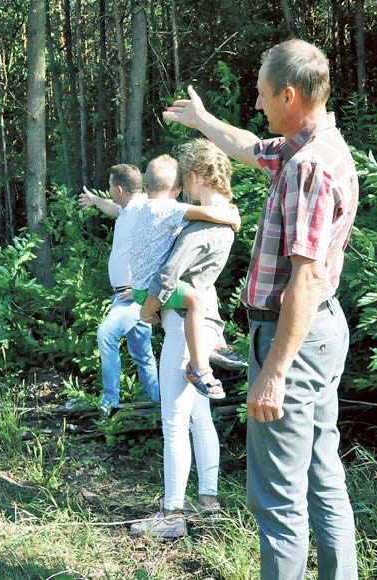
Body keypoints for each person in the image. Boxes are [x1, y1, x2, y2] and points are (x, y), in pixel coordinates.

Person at [164, 39, 359, 579]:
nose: (256, 101)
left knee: (277, 500)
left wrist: (273, 374)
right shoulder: (311, 148)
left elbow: (306, 279)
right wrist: (203, 120)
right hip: (318, 334)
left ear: (290, 94)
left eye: (262, 92)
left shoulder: (308, 168)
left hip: (291, 337)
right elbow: (250, 146)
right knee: (322, 478)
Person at [130, 140, 237, 538]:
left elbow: (167, 276)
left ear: (192, 177)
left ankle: (171, 515)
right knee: (199, 418)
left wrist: (145, 311)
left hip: (181, 324)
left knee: (173, 422)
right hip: (205, 319)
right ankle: (208, 504)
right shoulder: (224, 218)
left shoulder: (202, 225)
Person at [129, 154, 240, 399]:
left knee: (203, 289)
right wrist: (233, 216)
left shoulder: (146, 208)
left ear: (147, 188)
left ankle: (218, 342)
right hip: (151, 288)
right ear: (178, 190)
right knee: (196, 301)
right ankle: (200, 368)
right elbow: (209, 214)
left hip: (140, 285)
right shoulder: (170, 208)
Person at [77, 164, 160, 416]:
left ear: (120, 189)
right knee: (142, 353)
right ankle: (155, 405)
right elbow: (113, 208)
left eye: (111, 187)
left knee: (106, 334)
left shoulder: (146, 209)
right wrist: (94, 200)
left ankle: (109, 403)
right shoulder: (127, 209)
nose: (110, 192)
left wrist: (140, 289)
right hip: (124, 295)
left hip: (133, 297)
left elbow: (162, 249)